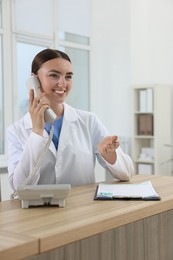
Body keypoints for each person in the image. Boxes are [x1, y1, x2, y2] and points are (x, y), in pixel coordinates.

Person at [7, 48, 134, 192]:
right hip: (39, 213)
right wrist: (36, 133)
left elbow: (127, 173)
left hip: (81, 212)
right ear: (34, 79)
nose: (62, 83)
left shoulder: (89, 121)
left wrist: (109, 154)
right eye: (54, 75)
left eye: (68, 76)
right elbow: (19, 188)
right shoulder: (16, 131)